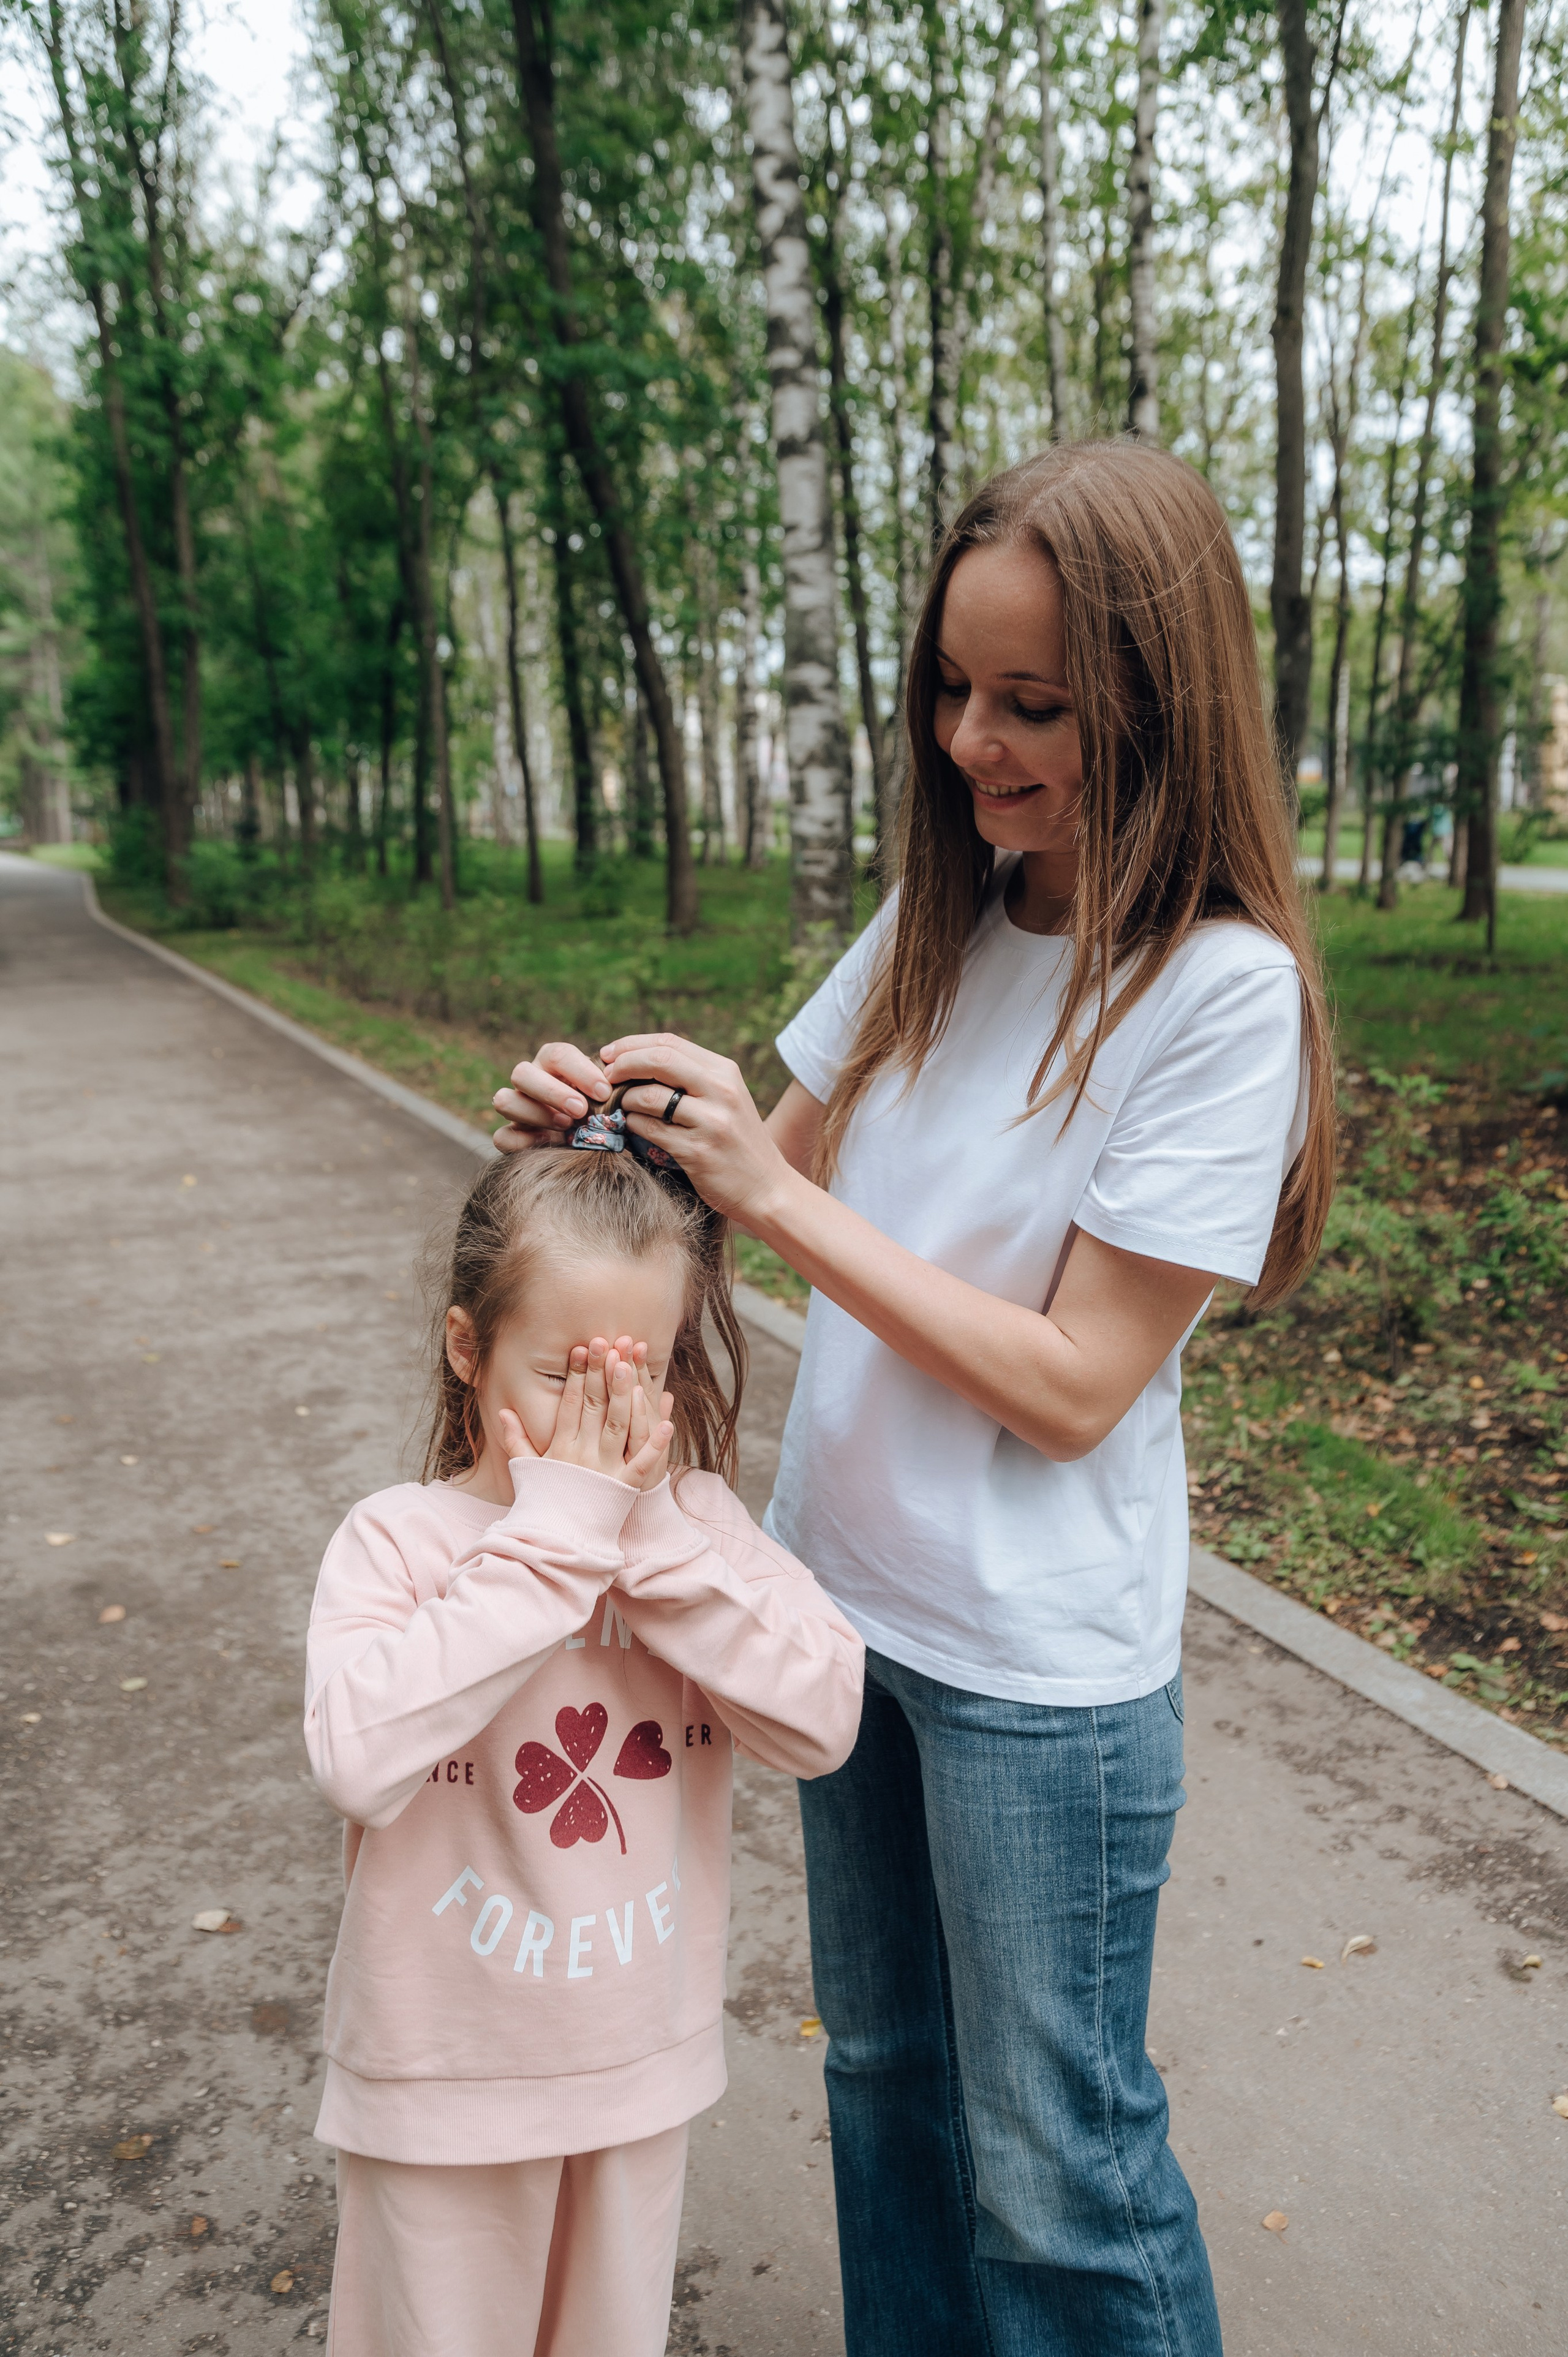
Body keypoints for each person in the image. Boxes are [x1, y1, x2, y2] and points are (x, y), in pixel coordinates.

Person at [493, 441, 1335, 2356]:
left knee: (1059, 2168)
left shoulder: (1222, 993)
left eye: (1033, 704)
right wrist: (601, 1147)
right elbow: (717, 1218)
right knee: (881, 2080)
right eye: (952, 690)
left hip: (1042, 1680)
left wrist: (783, 1192)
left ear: (1155, 699)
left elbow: (1075, 1385)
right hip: (835, 1618)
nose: (973, 743)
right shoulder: (938, 921)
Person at [303, 1146, 864, 2357]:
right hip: (436, 2080)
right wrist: (559, 1539)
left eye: (642, 1375)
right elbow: (356, 1754)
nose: (604, 1422)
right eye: (565, 1375)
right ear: (468, 1349)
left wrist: (648, 1544)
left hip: (629, 2077)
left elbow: (820, 1719)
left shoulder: (690, 1535)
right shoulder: (400, 1541)